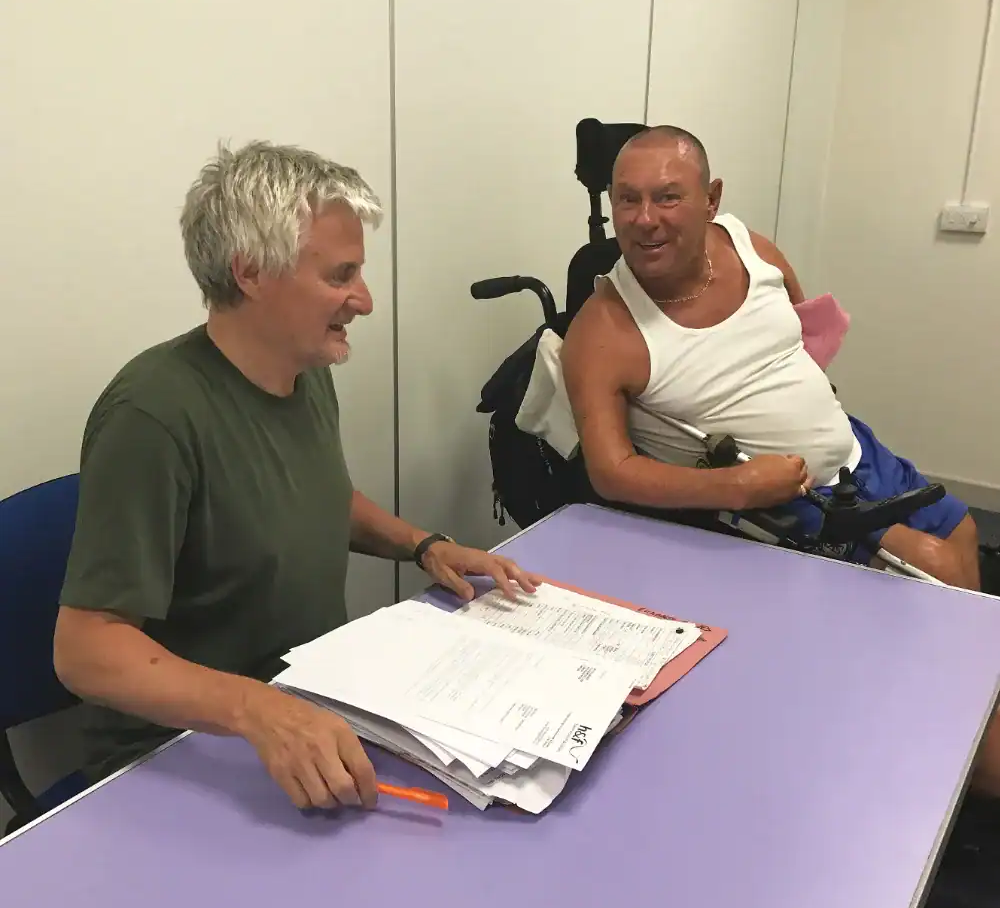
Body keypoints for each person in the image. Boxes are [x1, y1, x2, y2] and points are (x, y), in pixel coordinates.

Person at [54, 141, 535, 811]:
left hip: (304, 711)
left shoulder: (304, 371)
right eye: (341, 276)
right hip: (183, 754)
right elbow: (84, 649)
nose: (363, 300)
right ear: (250, 271)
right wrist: (255, 709)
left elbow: (315, 498)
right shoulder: (152, 416)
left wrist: (422, 544)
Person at [561, 126, 1000, 793]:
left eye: (667, 197)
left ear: (711, 199)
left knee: (964, 534)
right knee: (937, 574)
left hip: (854, 447)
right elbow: (610, 469)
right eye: (628, 200)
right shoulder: (602, 329)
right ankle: (955, 760)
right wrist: (737, 483)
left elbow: (800, 328)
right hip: (790, 499)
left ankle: (955, 729)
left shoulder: (749, 248)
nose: (644, 219)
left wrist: (801, 412)